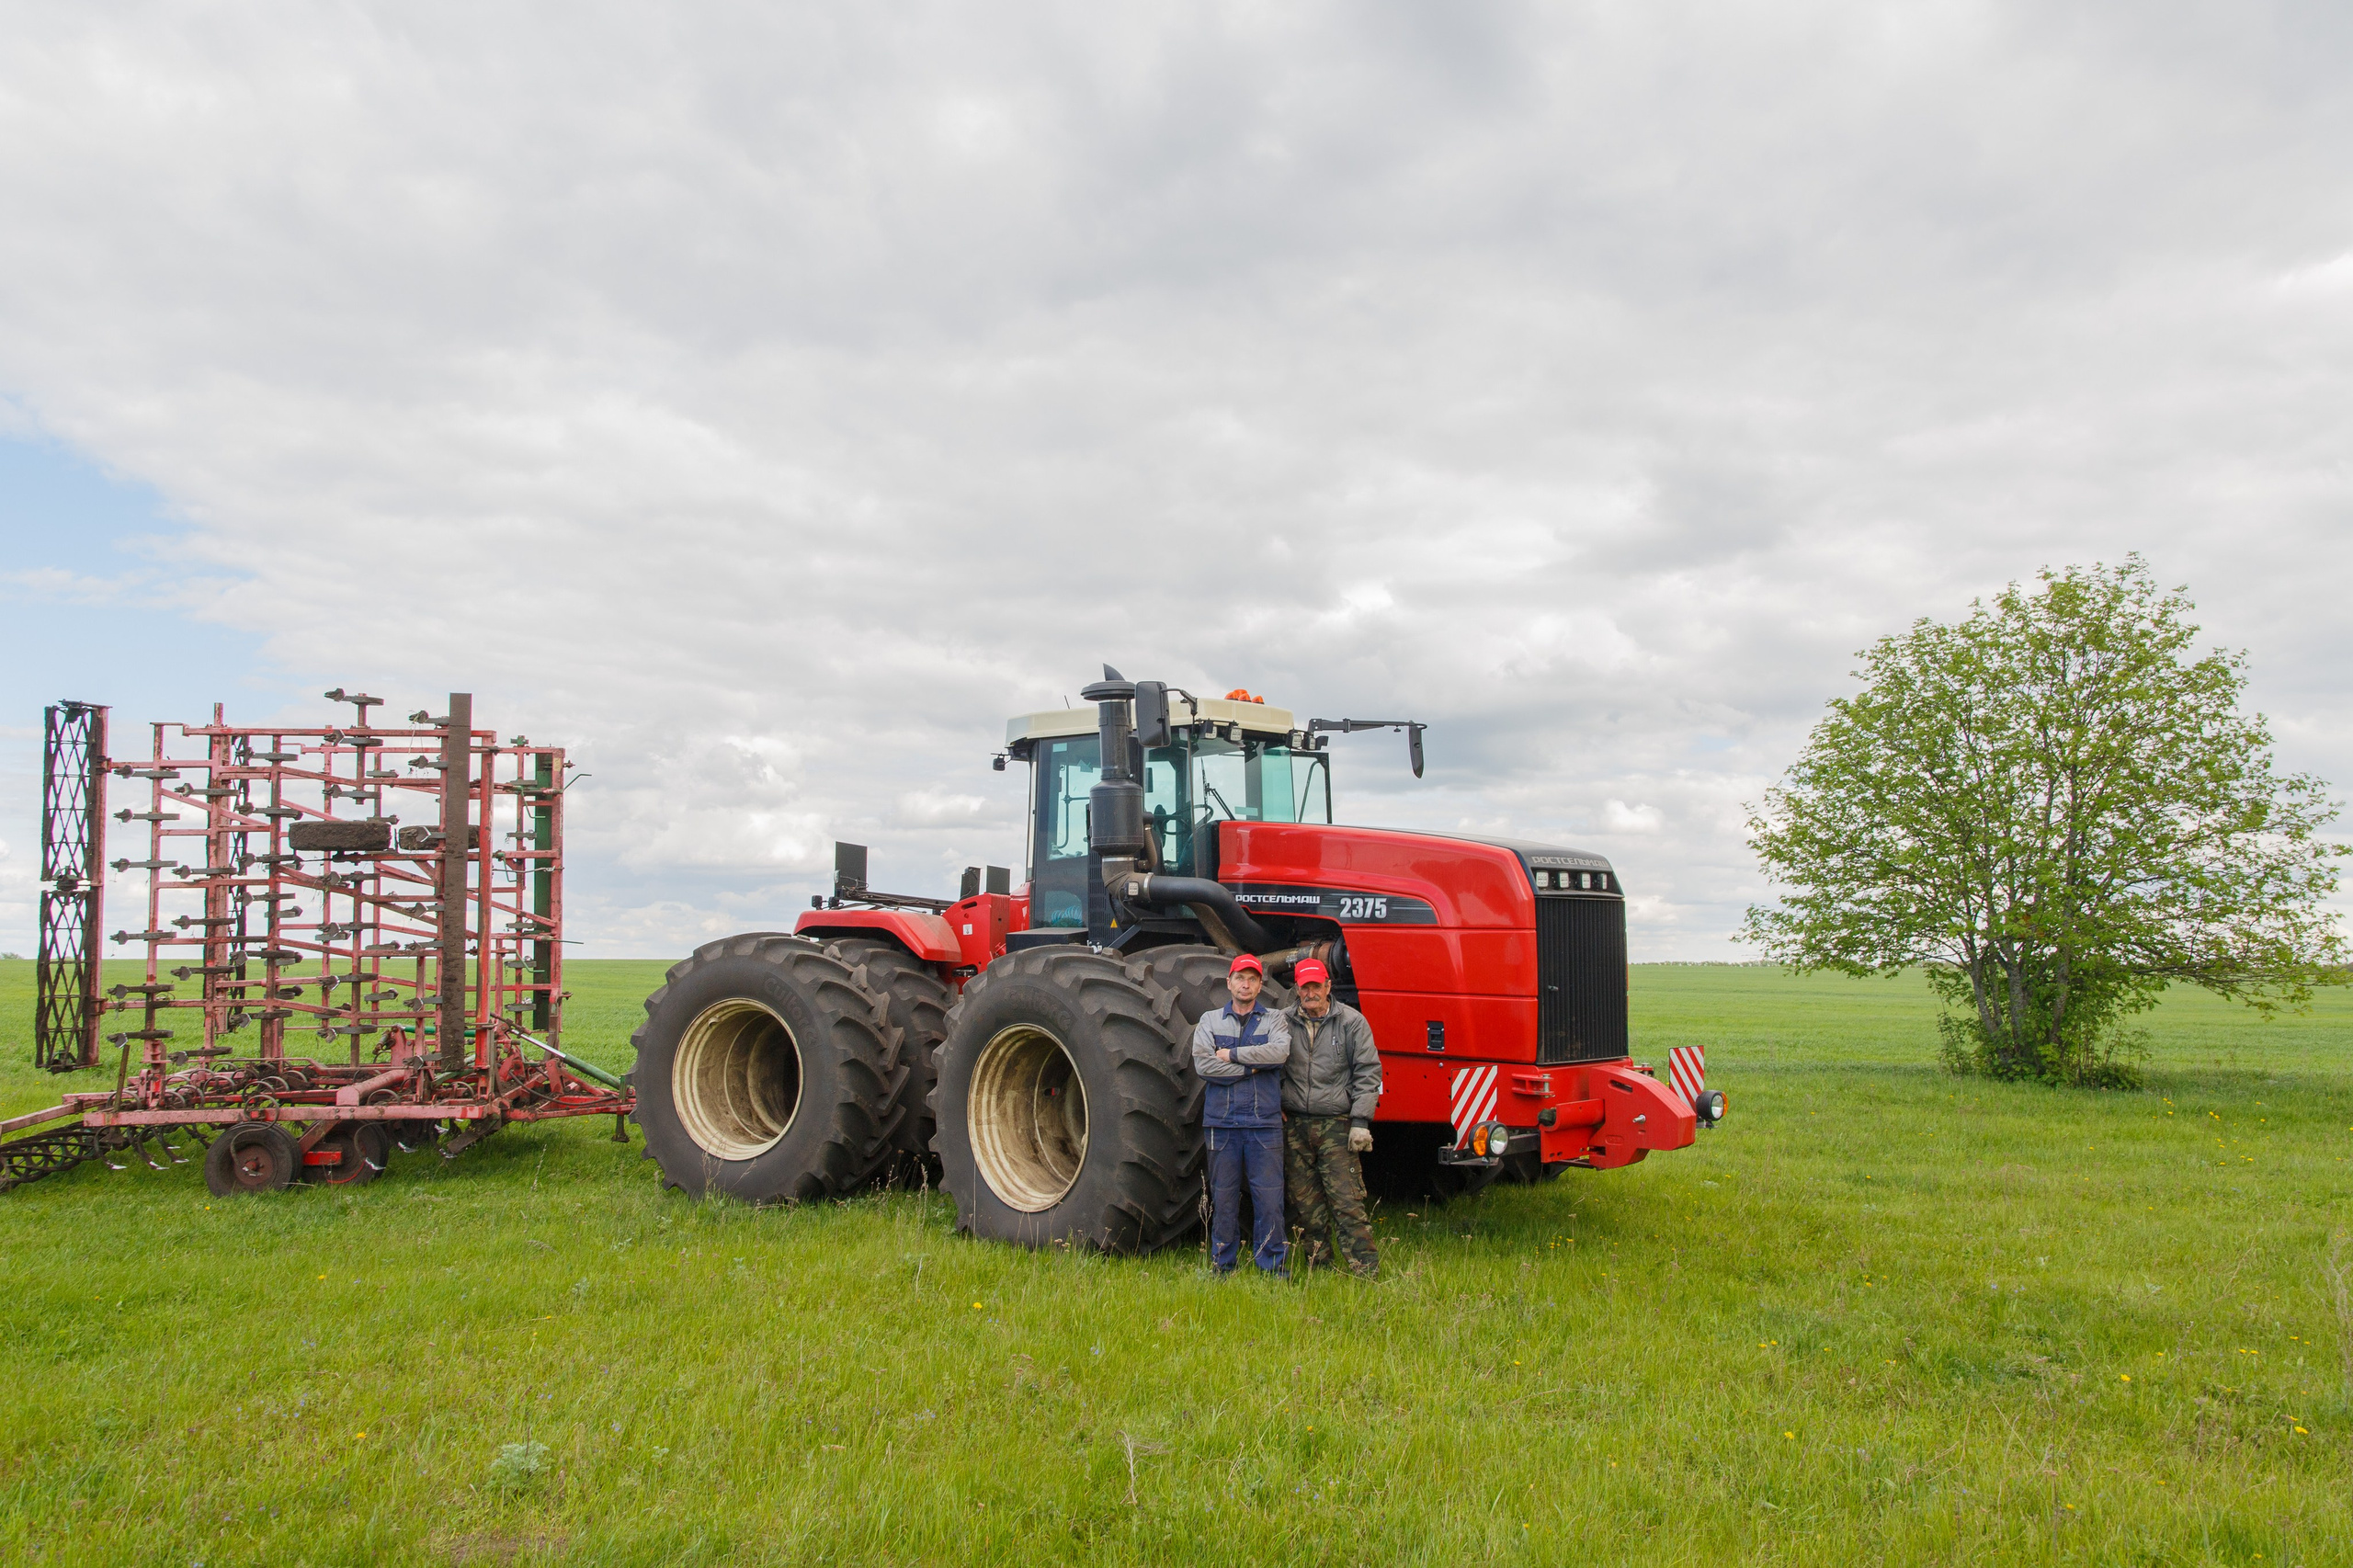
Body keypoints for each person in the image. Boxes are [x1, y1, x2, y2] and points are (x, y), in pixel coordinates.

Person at [1279, 958, 1383, 1278]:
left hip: (1337, 1124)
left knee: (1346, 1201)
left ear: (1328, 986)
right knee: (1305, 1204)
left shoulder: (1351, 1023)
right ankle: (1318, 1266)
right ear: (1297, 988)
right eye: (1304, 986)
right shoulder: (1282, 1022)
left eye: (1316, 986)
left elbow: (1368, 1073)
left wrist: (1361, 1122)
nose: (1310, 992)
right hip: (1295, 1125)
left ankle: (1365, 1269)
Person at [1191, 952, 1291, 1275]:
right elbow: (1204, 1064)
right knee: (1223, 1199)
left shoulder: (1275, 1019)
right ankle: (1223, 1266)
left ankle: (1272, 1267)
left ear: (1261, 985)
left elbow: (1279, 1053)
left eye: (1252, 979)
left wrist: (1233, 1056)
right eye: (1240, 978)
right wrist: (1254, 1068)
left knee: (1270, 1200)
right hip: (1222, 1124)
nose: (1245, 984)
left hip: (1264, 1125)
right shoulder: (1210, 1021)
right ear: (1229, 983)